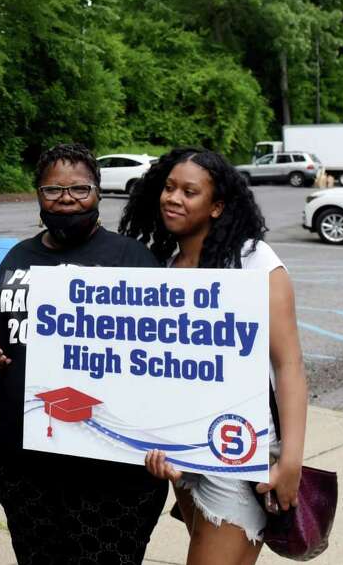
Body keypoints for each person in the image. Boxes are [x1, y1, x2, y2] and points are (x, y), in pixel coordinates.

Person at [0, 142, 167, 565]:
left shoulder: (131, 259)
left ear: (98, 192)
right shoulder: (17, 256)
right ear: (37, 195)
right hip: (21, 454)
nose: (66, 200)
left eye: (79, 190)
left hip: (106, 463)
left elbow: (163, 357)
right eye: (52, 190)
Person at [120, 148, 308, 565]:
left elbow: (289, 364)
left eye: (190, 192)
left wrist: (291, 459)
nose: (173, 198)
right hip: (183, 455)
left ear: (217, 206)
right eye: (168, 187)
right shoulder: (163, 269)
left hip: (241, 453)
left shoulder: (254, 262)